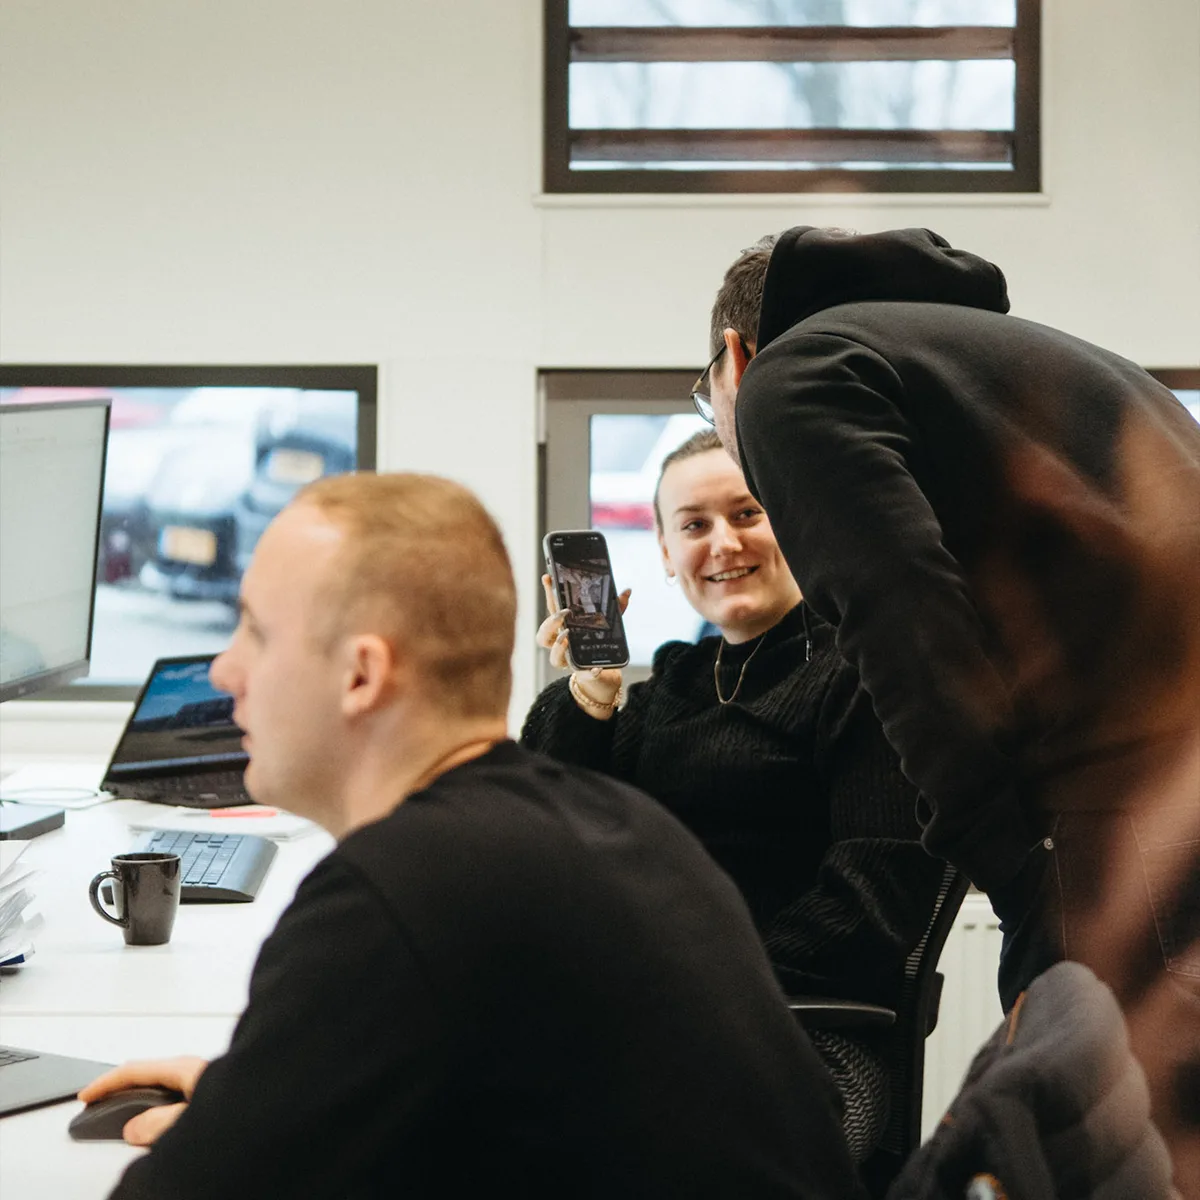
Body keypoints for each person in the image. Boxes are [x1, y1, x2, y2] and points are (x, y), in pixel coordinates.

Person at [81, 471, 866, 1200]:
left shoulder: (399, 891)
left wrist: (248, 1128)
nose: (223, 671)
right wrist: (269, 1100)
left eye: (255, 632)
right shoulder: (619, 825)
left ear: (361, 675)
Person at [699, 225, 1200, 1189]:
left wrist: (1013, 866)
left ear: (734, 355)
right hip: (1172, 799)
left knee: (1106, 1155)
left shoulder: (791, 374)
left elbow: (906, 628)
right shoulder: (1050, 361)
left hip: (1120, 822)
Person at [522, 429, 947, 1162]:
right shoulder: (675, 686)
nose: (724, 543)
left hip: (806, 1039)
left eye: (748, 513)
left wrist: (696, 993)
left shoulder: (864, 677)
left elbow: (872, 903)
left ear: (796, 521)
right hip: (658, 1026)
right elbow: (547, 828)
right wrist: (589, 694)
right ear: (664, 552)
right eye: (694, 525)